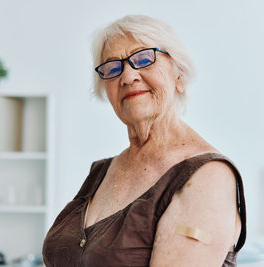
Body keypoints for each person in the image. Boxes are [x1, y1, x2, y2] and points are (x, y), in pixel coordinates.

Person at [42, 15, 246, 267]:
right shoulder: (102, 172)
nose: (127, 77)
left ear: (179, 75)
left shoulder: (207, 176)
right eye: (113, 68)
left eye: (143, 58)